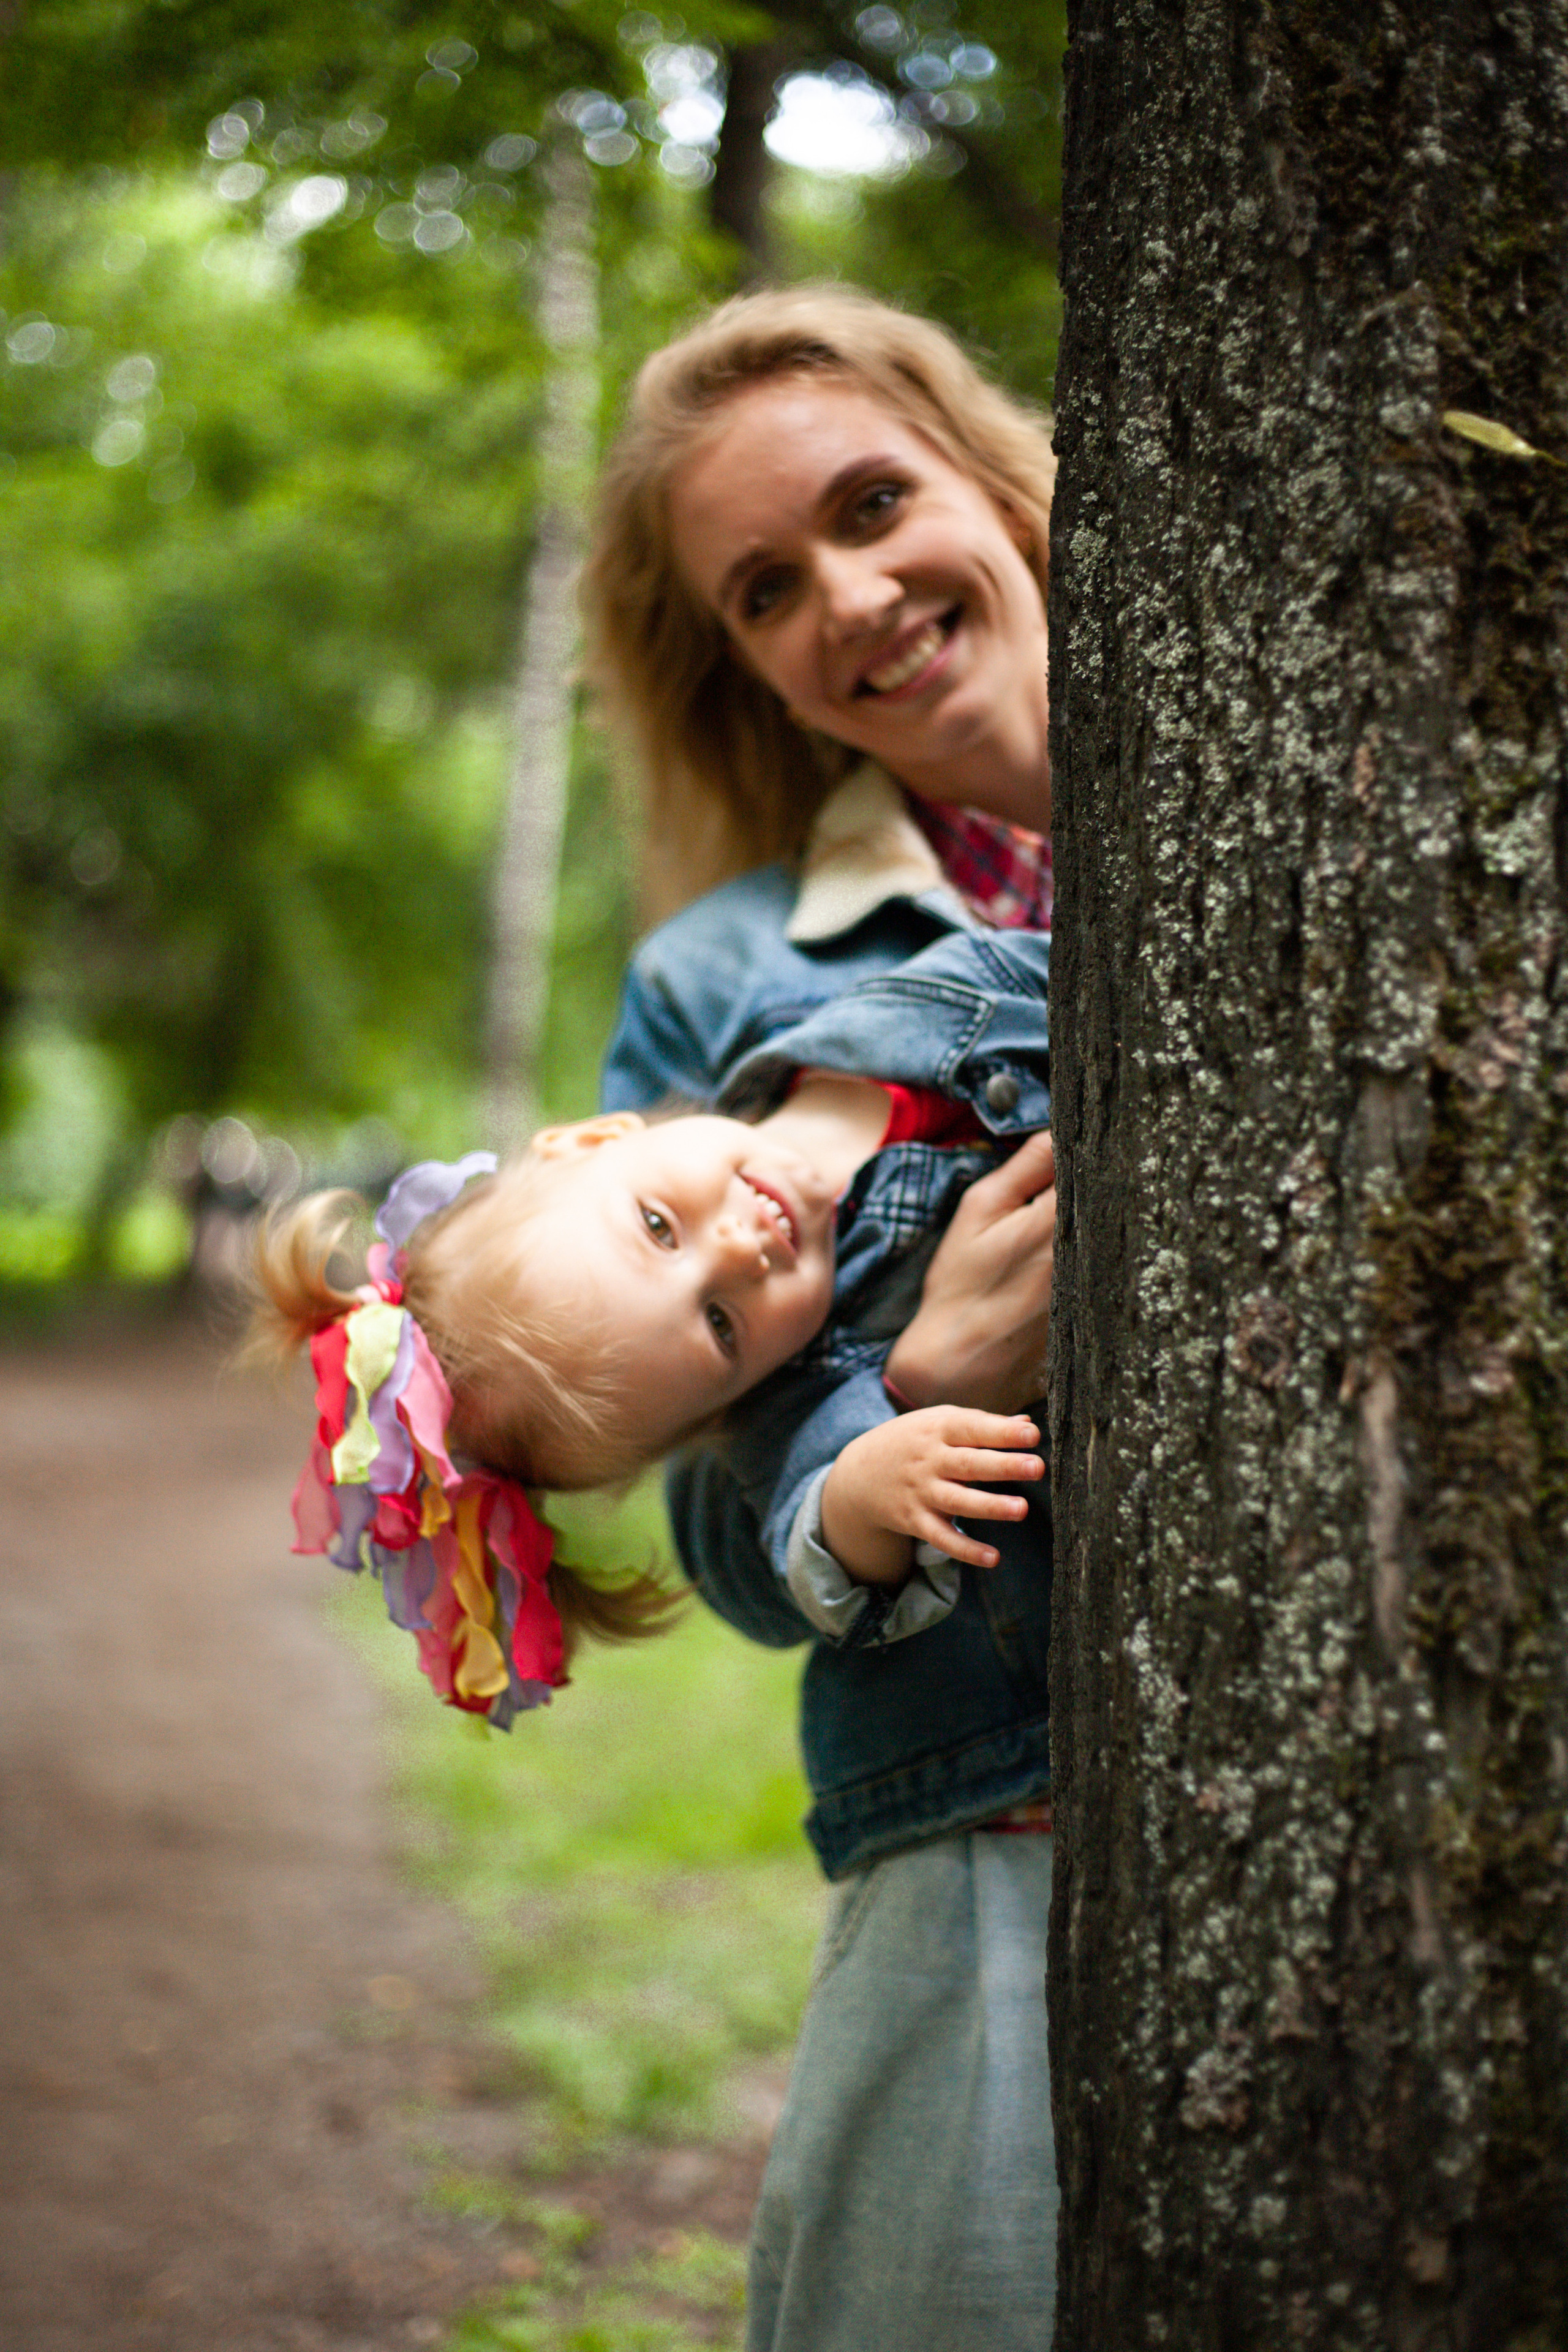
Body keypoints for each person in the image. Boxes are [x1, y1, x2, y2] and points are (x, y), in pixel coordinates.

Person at [585, 287, 1058, 2350]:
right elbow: (711, 1536)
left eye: (874, 505)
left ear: (994, 481)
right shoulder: (722, 987)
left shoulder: (1331, 767)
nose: (852, 599)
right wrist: (913, 1386)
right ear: (744, 664)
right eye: (767, 589)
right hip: (988, 1811)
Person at [254, 920, 1051, 1730]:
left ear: (596, 1137)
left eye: (660, 1227)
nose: (737, 1251)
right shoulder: (815, 1392)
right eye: (721, 1326)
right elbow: (815, 1526)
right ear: (723, 1413)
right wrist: (863, 1491)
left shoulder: (786, 1006)